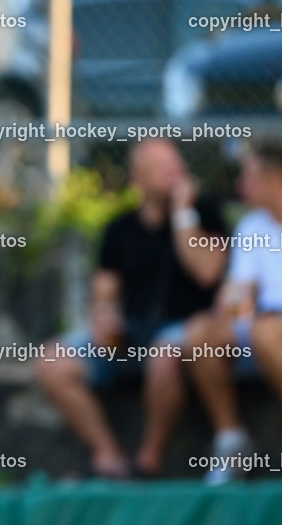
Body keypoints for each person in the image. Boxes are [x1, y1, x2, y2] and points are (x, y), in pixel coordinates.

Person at [36, 139, 229, 478]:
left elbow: (206, 270)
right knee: (53, 360)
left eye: (177, 166)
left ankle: (149, 460)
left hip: (187, 334)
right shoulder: (119, 228)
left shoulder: (206, 214)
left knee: (164, 354)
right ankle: (108, 456)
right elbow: (104, 293)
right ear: (138, 178)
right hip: (132, 332)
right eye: (163, 168)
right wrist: (104, 316)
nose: (175, 174)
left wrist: (184, 213)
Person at [186, 142, 282, 484]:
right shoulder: (251, 227)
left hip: (270, 329)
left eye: (249, 177)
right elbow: (241, 291)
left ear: (276, 180)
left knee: (267, 331)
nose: (241, 187)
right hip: (263, 324)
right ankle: (233, 442)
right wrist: (227, 312)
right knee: (200, 332)